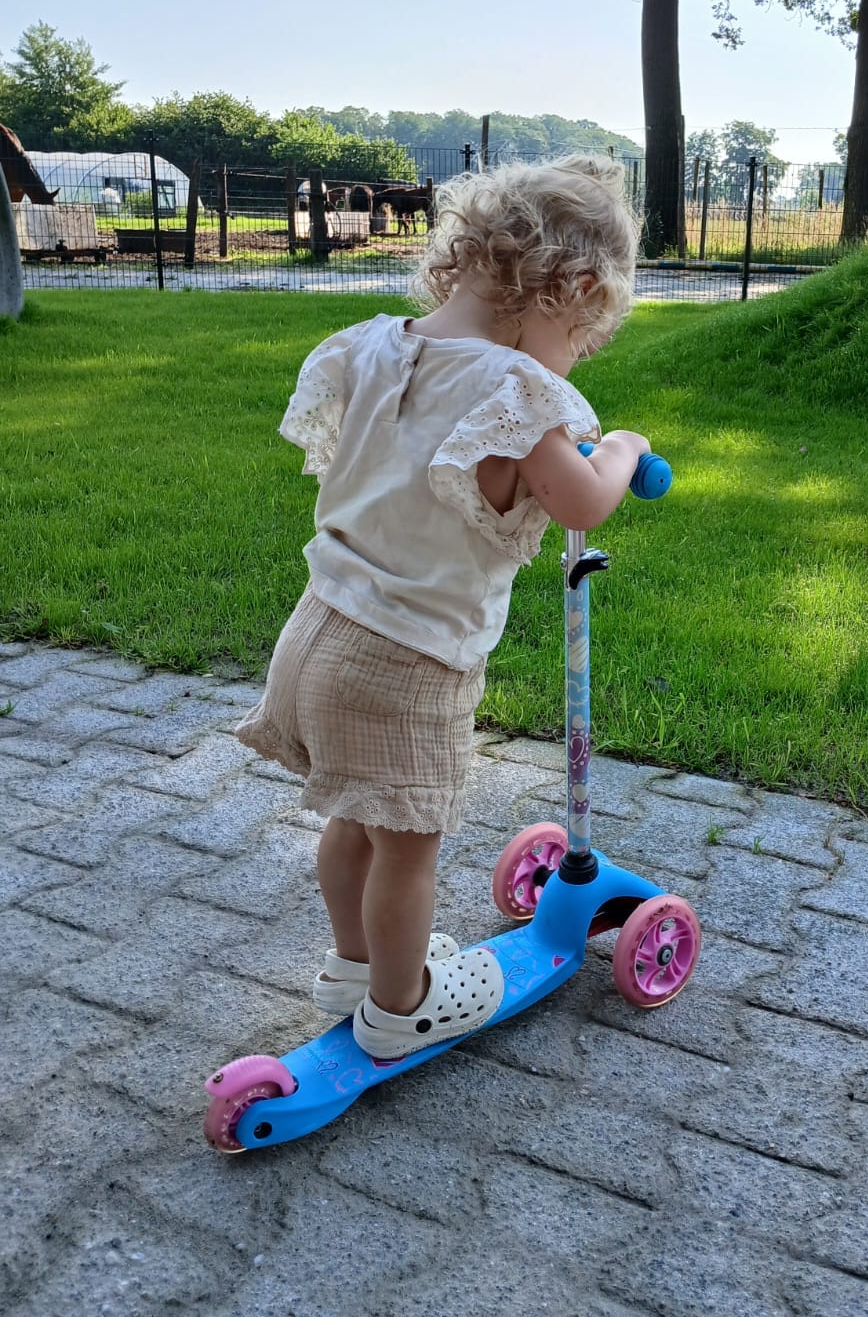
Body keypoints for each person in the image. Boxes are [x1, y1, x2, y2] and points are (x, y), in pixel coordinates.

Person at [235, 155, 649, 1060]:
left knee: (355, 818)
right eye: (582, 335)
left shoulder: (374, 345)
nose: (574, 356)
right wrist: (619, 446)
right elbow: (580, 501)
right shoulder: (517, 394)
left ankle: (354, 967)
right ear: (570, 287)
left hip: (316, 629)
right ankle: (400, 1005)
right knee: (408, 847)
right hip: (405, 661)